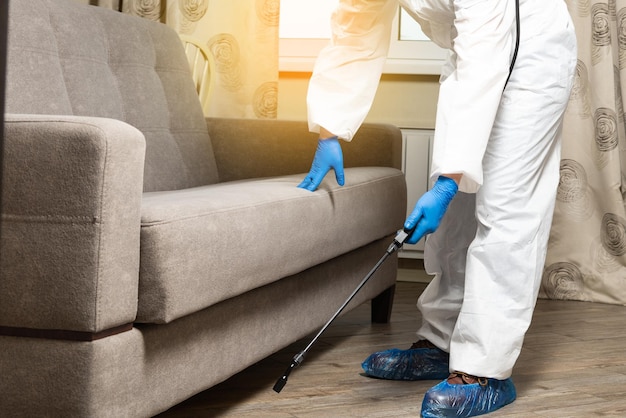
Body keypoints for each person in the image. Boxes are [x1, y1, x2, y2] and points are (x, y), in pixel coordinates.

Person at [298, 0, 577, 416]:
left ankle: (485, 369)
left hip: (532, 53)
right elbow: (356, 27)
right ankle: (442, 343)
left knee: (506, 210)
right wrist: (329, 128)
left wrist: (450, 180)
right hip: (470, 52)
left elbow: (488, 52)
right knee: (455, 217)